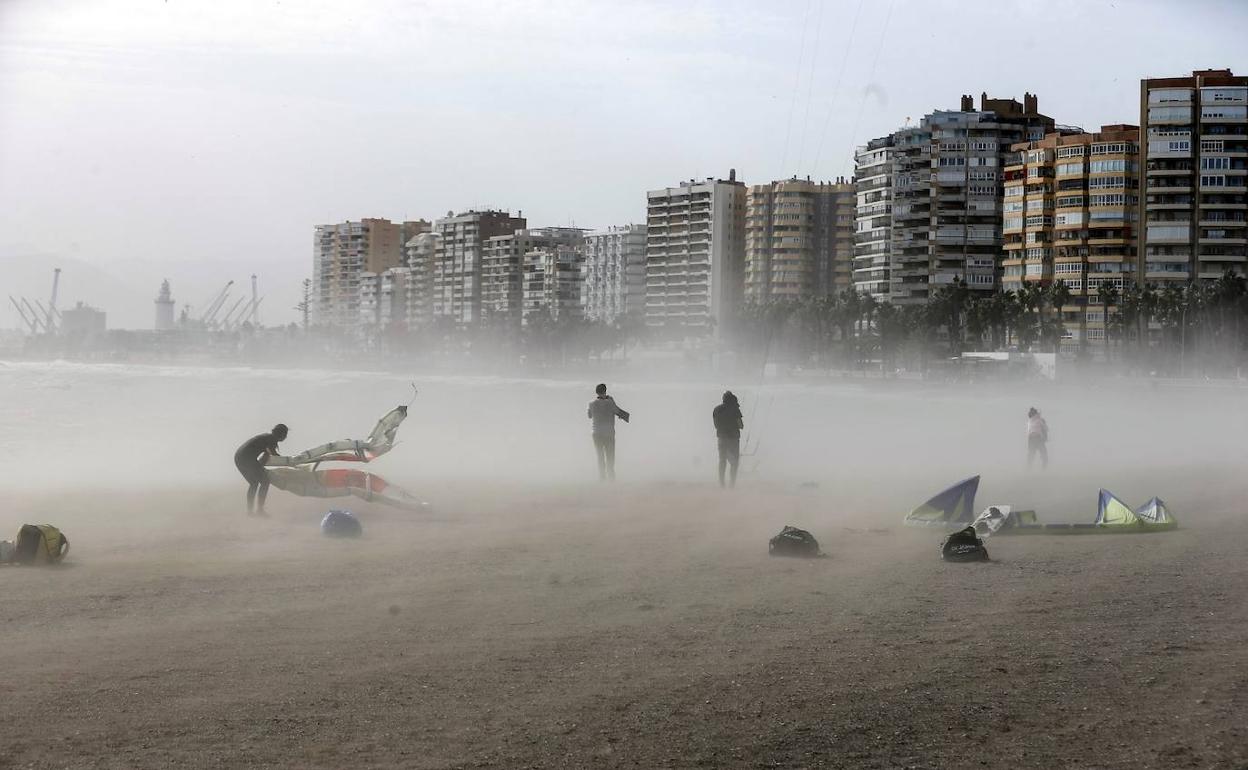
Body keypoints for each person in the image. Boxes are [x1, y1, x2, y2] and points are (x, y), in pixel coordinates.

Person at [234, 423, 288, 515]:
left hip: (239, 457)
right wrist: (290, 462)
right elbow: (274, 455)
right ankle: (259, 510)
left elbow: (264, 458)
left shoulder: (268, 438)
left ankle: (250, 511)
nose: (286, 437)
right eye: (285, 434)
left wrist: (259, 469)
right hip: (246, 458)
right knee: (265, 482)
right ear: (281, 434)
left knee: (254, 483)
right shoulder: (271, 439)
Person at [587, 384, 628, 481]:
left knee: (600, 455)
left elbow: (589, 415)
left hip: (596, 433)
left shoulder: (591, 403)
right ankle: (611, 477)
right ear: (605, 391)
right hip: (609, 433)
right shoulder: (610, 403)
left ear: (596, 392)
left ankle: (602, 477)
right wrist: (612, 401)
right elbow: (618, 412)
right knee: (610, 456)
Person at [712, 390, 744, 488]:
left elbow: (716, 425)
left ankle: (722, 483)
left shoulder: (716, 409)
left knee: (722, 460)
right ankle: (732, 484)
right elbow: (741, 425)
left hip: (721, 438)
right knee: (734, 462)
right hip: (733, 439)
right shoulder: (735, 409)